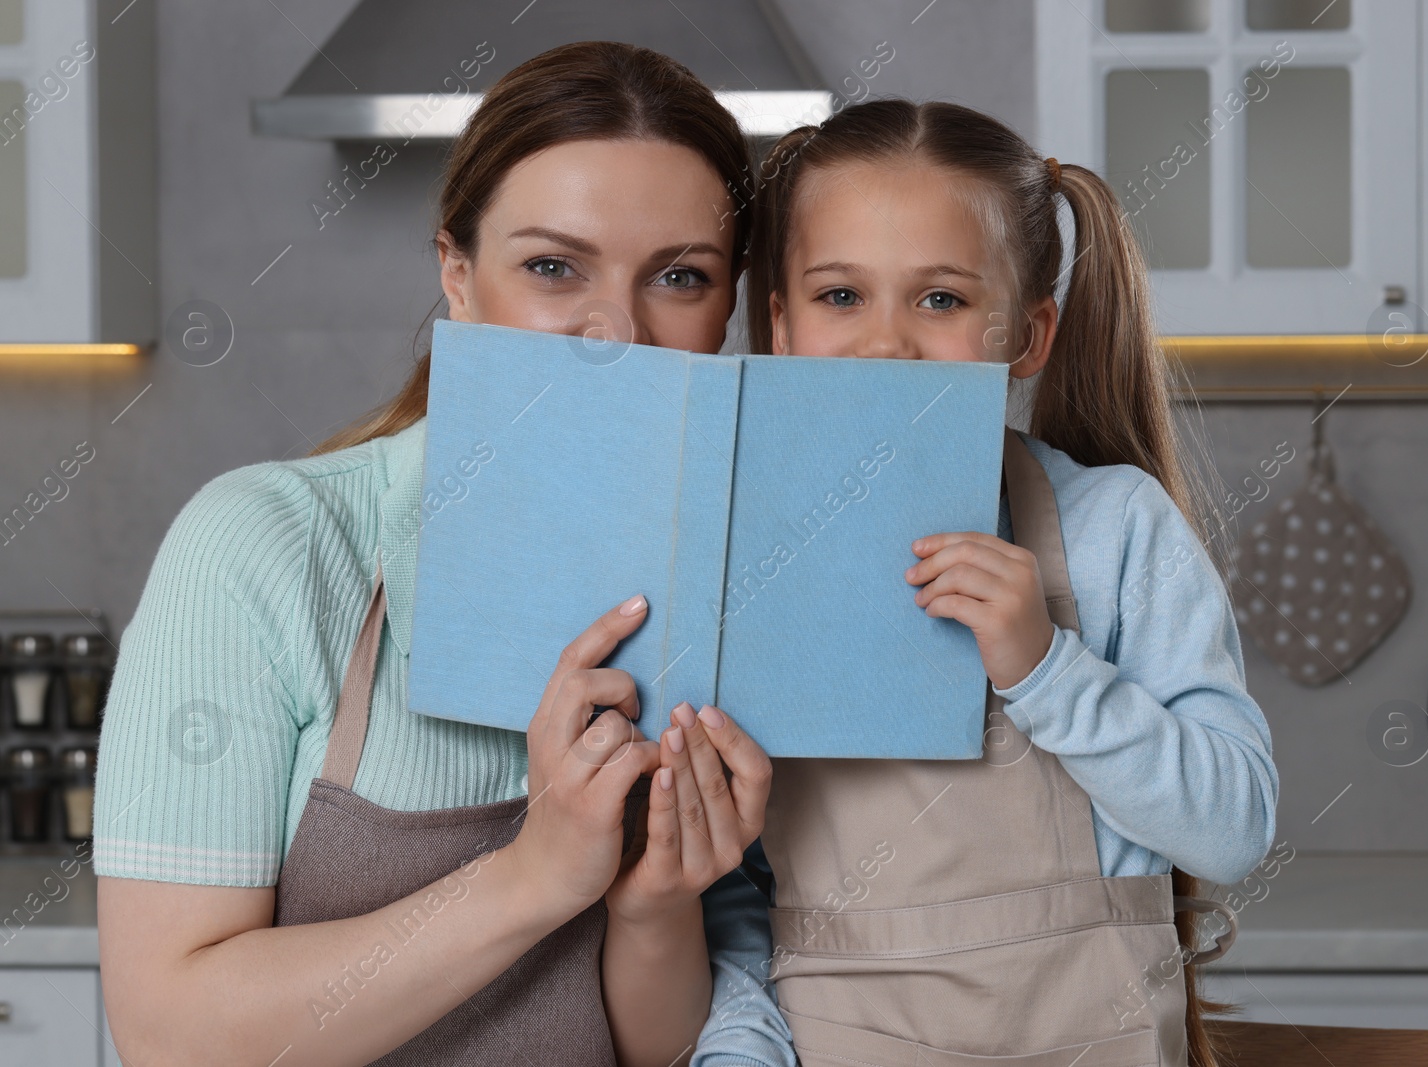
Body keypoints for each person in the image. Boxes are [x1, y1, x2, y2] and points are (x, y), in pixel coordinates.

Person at [94, 42, 794, 1067]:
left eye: (679, 276)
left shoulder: (745, 588)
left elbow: (667, 1046)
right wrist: (533, 878)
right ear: (457, 276)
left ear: (726, 310)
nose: (615, 332)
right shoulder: (264, 547)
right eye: (553, 266)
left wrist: (655, 908)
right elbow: (171, 1030)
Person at [731, 98, 1280, 1065]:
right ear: (781, 325)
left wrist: (1046, 670)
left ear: (1025, 336)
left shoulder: (1116, 530)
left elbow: (1232, 829)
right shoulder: (740, 556)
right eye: (840, 296)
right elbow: (727, 891)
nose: (885, 344)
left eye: (939, 299)